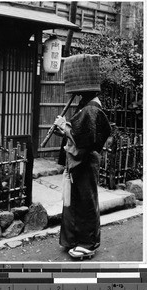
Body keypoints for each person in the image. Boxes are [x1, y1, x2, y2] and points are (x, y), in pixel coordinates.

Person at [54, 89, 111, 259]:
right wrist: (63, 130)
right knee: (74, 200)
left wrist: (65, 126)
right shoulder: (86, 105)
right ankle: (74, 239)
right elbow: (77, 132)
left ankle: (88, 244)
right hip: (78, 159)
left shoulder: (92, 107)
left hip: (86, 160)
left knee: (86, 200)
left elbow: (86, 138)